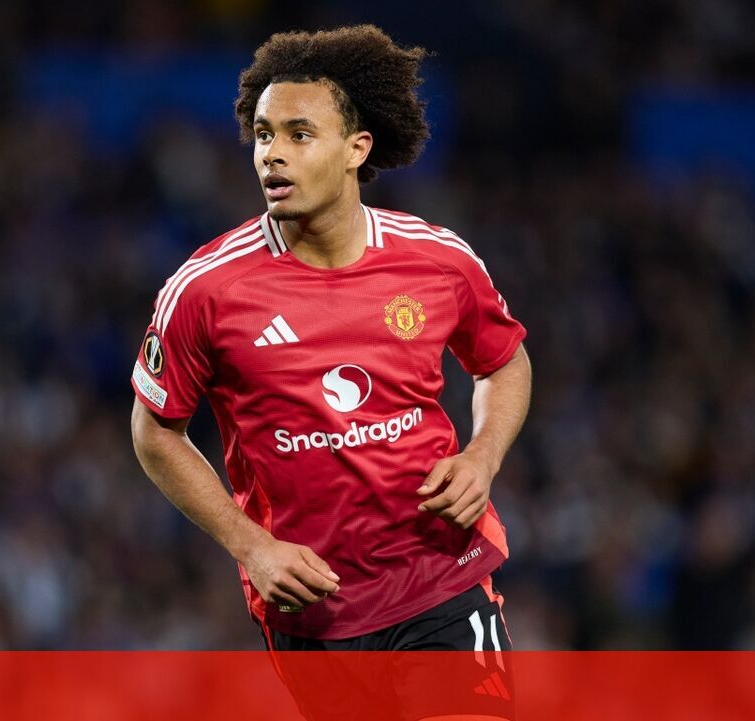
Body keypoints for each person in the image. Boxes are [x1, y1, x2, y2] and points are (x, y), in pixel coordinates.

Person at [130, 25, 530, 720]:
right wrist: (252, 547)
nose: (273, 154)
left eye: (299, 134)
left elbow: (504, 361)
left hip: (440, 577)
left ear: (356, 149)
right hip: (312, 609)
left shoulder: (437, 260)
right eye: (263, 135)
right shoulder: (205, 290)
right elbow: (154, 431)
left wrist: (482, 456)